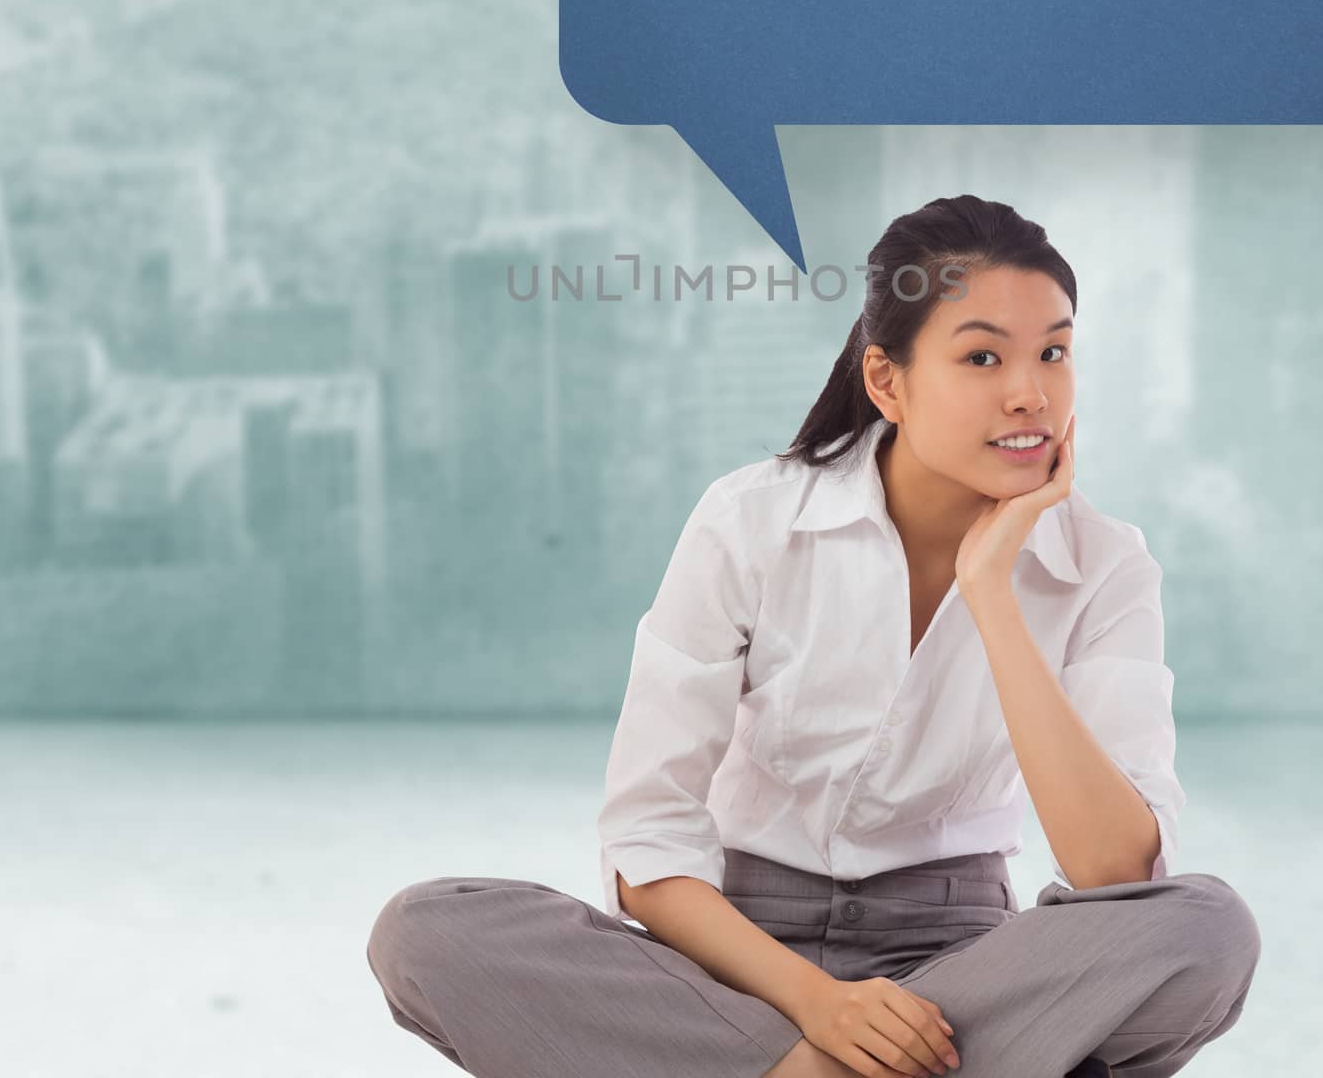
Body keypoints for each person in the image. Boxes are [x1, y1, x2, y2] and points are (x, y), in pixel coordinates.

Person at [366, 195, 1260, 1078]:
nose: (1030, 393)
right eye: (983, 356)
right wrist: (817, 1009)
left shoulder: (1105, 566)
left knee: (1204, 931)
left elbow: (1116, 872)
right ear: (887, 382)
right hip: (737, 962)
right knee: (427, 933)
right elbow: (649, 844)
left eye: (1055, 353)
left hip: (958, 974)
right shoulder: (752, 519)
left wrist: (993, 594)